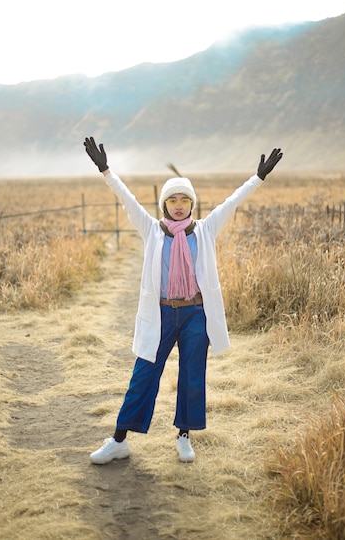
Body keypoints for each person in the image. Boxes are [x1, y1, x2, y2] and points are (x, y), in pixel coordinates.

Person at [83, 137, 282, 464]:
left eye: (184, 200)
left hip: (194, 315)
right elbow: (127, 199)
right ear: (164, 204)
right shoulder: (152, 230)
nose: (178, 205)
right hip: (160, 315)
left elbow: (232, 202)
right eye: (172, 199)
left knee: (192, 376)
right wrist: (106, 170)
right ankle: (119, 439)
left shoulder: (205, 229)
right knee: (143, 375)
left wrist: (257, 178)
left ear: (192, 204)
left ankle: (184, 435)